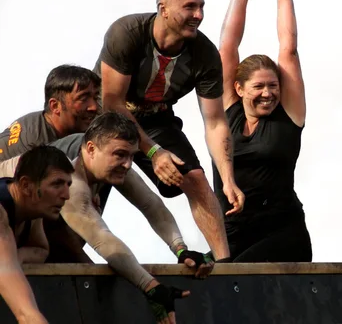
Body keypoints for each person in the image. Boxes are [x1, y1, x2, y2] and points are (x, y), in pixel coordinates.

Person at [4, 112, 213, 323]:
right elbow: (101, 238)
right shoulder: (70, 180)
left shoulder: (108, 159)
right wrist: (151, 288)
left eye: (132, 156)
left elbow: (151, 204)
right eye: (121, 155)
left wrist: (181, 249)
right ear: (92, 149)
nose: (128, 164)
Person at [94, 0, 246, 261]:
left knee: (195, 178)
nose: (198, 15)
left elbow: (214, 122)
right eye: (190, 7)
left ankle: (226, 265)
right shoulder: (127, 33)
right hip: (107, 118)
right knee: (89, 184)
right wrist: (153, 151)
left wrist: (227, 179)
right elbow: (112, 101)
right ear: (163, 9)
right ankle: (65, 258)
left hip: (156, 118)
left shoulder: (204, 54)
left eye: (201, 7)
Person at [213, 0, 312, 262]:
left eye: (273, 86)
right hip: (232, 234)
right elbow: (228, 46)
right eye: (259, 87)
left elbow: (289, 50)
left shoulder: (288, 116)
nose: (269, 93)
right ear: (239, 88)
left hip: (280, 234)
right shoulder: (228, 113)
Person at [0, 64, 103, 263]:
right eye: (83, 98)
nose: (94, 107)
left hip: (28, 232)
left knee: (103, 159)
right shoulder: (35, 143)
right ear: (55, 106)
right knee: (92, 149)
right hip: (11, 222)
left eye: (95, 98)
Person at [0, 145, 74, 324]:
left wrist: (18, 256)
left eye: (68, 184)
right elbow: (26, 314)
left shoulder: (31, 209)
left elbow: (40, 249)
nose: (67, 195)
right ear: (26, 185)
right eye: (57, 184)